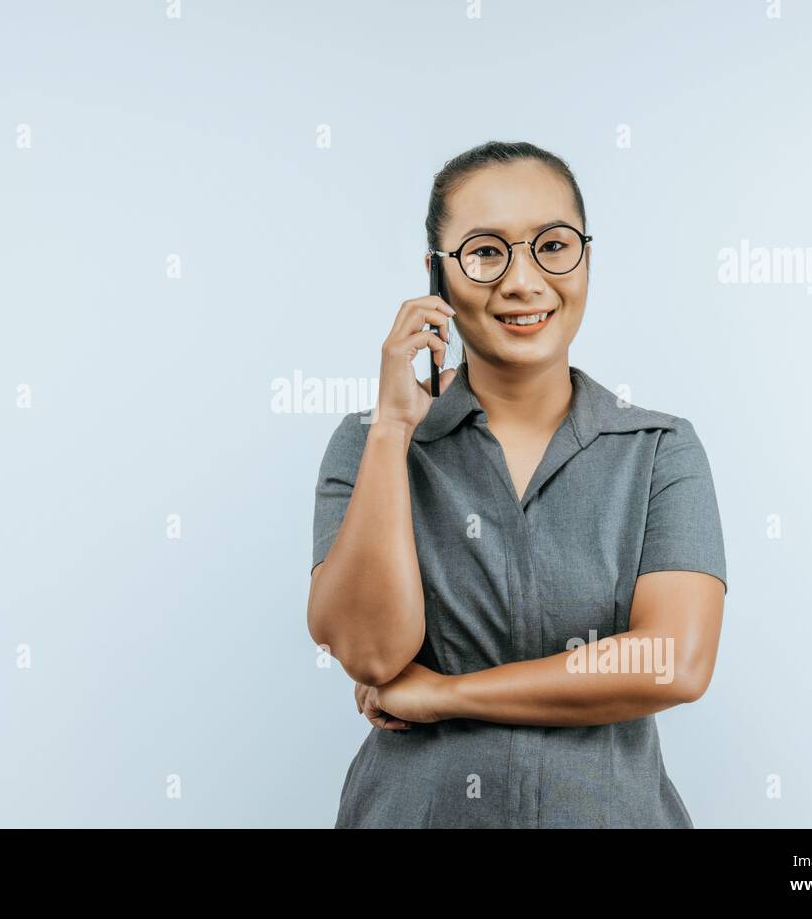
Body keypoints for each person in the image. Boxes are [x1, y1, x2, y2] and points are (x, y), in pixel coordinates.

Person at [306, 140, 728, 828]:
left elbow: (672, 662)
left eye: (552, 246)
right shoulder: (368, 442)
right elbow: (371, 652)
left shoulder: (658, 449)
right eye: (484, 251)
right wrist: (391, 431)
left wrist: (445, 694)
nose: (523, 281)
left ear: (585, 258)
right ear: (437, 276)